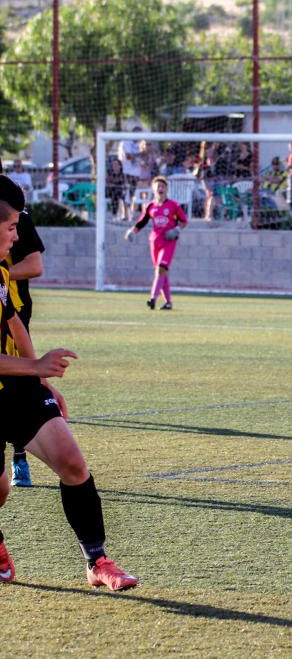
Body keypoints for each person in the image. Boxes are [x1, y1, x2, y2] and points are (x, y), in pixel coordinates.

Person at [0, 183, 139, 591]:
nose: (17, 235)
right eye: (10, 226)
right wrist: (35, 365)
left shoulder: (1, 273)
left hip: (16, 385)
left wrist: (40, 377)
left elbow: (13, 324)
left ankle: (97, 561)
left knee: (73, 464)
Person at [1, 175, 45, 487]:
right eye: (10, 229)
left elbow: (35, 265)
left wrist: (2, 277)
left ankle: (20, 459)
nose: (13, 236)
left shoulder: (20, 217)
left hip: (13, 316)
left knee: (20, 386)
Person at [125, 176, 188, 310]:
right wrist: (132, 231)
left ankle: (152, 299)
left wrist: (176, 230)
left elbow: (184, 221)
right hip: (155, 242)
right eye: (158, 186)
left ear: (166, 189)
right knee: (161, 273)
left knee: (161, 268)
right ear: (153, 190)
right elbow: (142, 221)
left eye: (163, 186)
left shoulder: (173, 205)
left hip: (168, 241)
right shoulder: (150, 206)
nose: (160, 189)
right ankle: (168, 303)